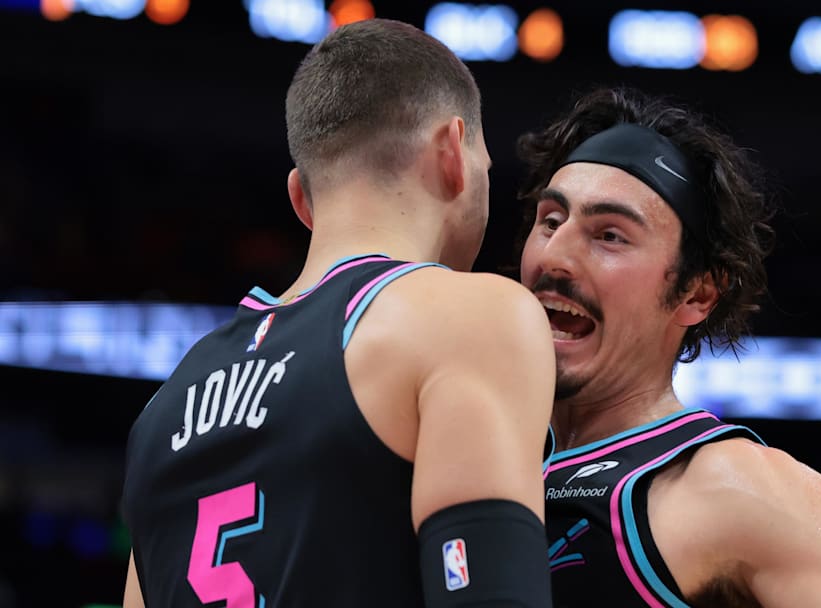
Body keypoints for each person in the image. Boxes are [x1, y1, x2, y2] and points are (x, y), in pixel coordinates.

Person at [121, 19, 556, 608]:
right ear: (452, 151)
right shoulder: (468, 316)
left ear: (302, 198)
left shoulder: (162, 408)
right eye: (486, 165)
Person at [516, 87, 821, 607]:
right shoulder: (468, 453)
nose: (555, 255)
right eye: (550, 221)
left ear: (697, 293)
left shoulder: (734, 489)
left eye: (610, 235)